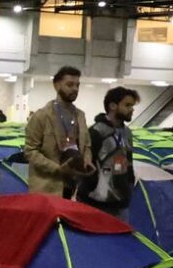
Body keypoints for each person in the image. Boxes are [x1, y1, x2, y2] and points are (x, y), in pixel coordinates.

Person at [25, 66, 94, 198]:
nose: (75, 89)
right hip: (46, 189)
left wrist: (87, 160)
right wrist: (56, 168)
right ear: (56, 85)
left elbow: (87, 146)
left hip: (72, 187)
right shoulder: (41, 116)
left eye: (77, 85)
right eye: (70, 84)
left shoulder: (81, 116)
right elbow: (30, 151)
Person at [79, 87, 139, 217]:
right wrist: (92, 189)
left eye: (132, 106)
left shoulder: (127, 133)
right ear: (113, 106)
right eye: (127, 105)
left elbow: (129, 164)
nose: (132, 109)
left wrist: (128, 187)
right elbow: (85, 167)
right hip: (95, 202)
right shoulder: (96, 132)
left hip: (121, 202)